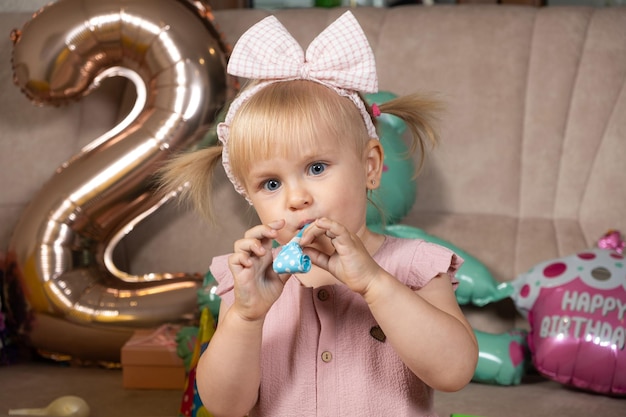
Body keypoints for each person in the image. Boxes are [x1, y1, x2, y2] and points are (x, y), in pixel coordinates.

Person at [159, 11, 478, 417]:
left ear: (370, 167)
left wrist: (376, 285)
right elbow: (225, 406)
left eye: (316, 168)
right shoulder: (247, 284)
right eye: (271, 184)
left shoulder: (414, 266)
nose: (296, 198)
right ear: (249, 198)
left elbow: (455, 371)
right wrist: (245, 316)